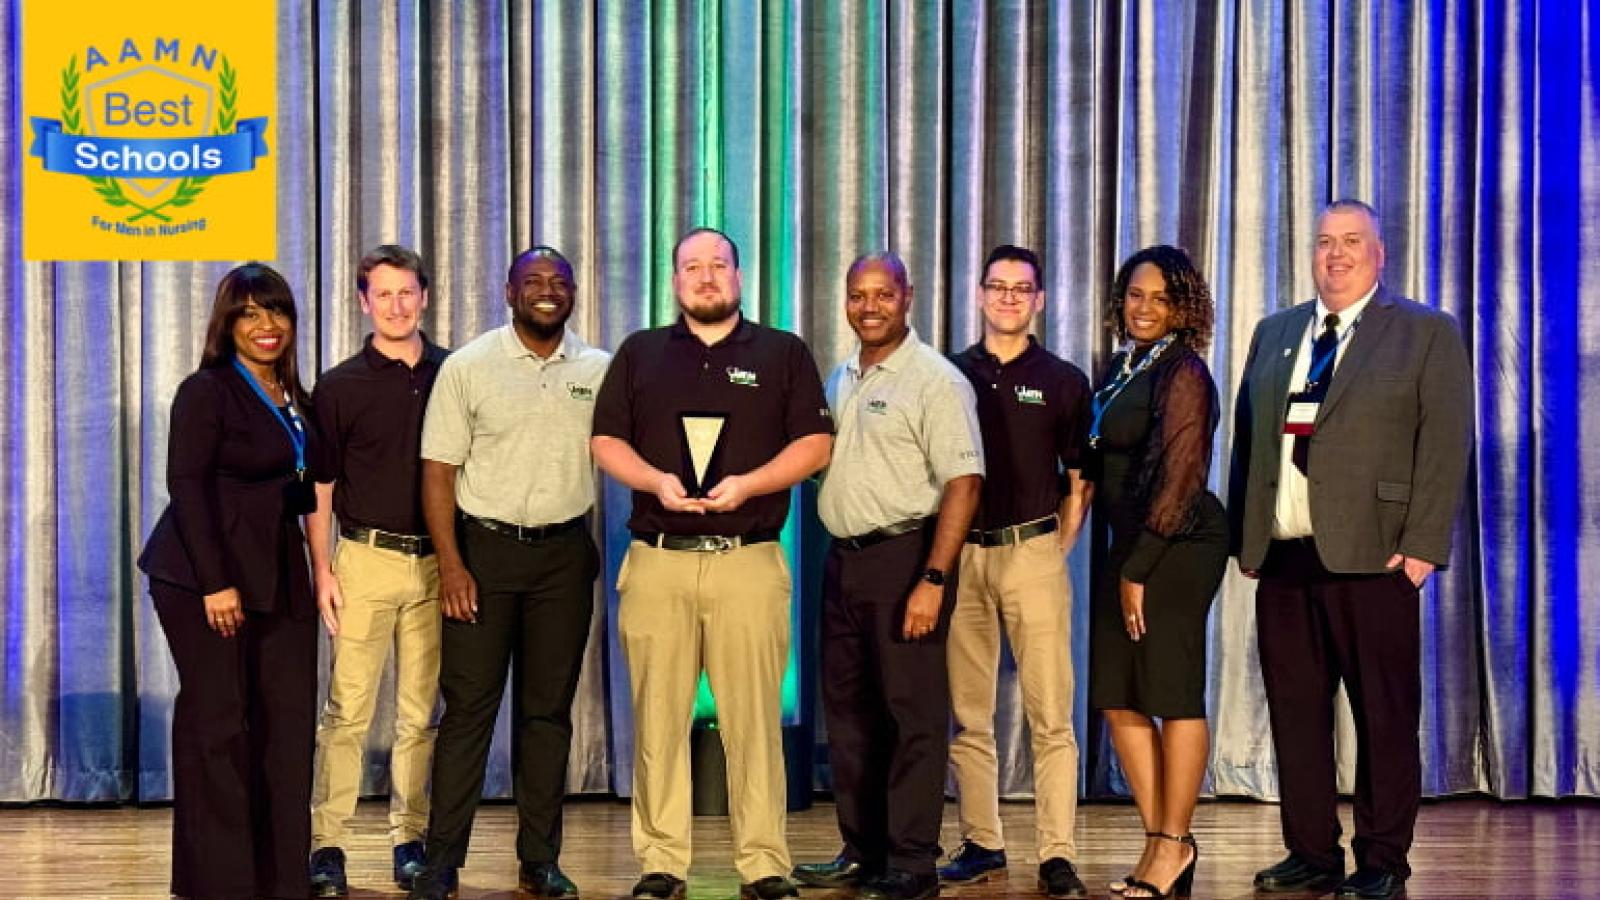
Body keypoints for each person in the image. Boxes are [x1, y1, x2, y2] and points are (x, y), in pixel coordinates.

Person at [1231, 200, 1472, 900]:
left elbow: (1446, 442)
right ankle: (1310, 851)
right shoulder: (1277, 333)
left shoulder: (1425, 331)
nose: (1336, 254)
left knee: (1385, 718)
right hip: (1285, 558)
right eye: (1325, 242)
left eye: (1352, 242)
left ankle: (1383, 861)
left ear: (1379, 253)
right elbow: (1251, 439)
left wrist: (1423, 546)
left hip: (1377, 559)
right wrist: (1251, 536)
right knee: (1296, 717)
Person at [591, 227, 833, 900]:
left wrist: (751, 484)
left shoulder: (782, 353)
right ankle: (661, 861)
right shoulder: (640, 354)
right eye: (692, 267)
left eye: (718, 265)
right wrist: (651, 479)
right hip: (659, 561)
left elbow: (816, 443)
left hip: (748, 561)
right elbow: (605, 438)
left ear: (738, 275)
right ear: (674, 281)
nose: (706, 277)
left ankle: (763, 863)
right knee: (658, 720)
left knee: (754, 719)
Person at [406, 247, 611, 900]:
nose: (546, 291)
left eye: (559, 282)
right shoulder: (470, 366)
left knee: (547, 715)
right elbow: (437, 471)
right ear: (508, 291)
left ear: (574, 293)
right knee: (468, 710)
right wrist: (453, 565)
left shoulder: (600, 370)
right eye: (533, 282)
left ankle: (539, 860)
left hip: (563, 558)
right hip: (483, 556)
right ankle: (441, 861)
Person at [794, 251, 983, 900]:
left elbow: (963, 483)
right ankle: (863, 849)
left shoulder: (936, 380)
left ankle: (911, 863)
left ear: (907, 297)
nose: (868, 306)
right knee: (849, 716)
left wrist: (933, 578)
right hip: (842, 561)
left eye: (882, 294)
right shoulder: (842, 376)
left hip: (906, 560)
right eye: (857, 295)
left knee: (912, 716)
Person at [137, 262, 322, 900]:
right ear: (228, 324)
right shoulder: (207, 390)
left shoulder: (294, 398)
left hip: (277, 571)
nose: (265, 325)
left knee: (286, 726)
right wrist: (217, 583)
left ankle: (282, 880)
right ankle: (221, 883)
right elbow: (186, 485)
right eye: (249, 313)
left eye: (275, 311)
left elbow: (306, 490)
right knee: (220, 725)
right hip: (201, 577)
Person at [942, 245, 1092, 899]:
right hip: (963, 556)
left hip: (1031, 551)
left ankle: (1057, 853)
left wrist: (1055, 547)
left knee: (1050, 714)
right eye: (997, 286)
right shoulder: (947, 374)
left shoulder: (1062, 379)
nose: (1007, 297)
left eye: (1020, 287)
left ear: (1040, 300)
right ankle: (983, 843)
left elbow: (1080, 477)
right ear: (979, 294)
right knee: (969, 715)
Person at [305, 245, 449, 897]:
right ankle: (327, 844)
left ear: (425, 296)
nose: (395, 305)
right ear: (364, 302)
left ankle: (409, 842)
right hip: (362, 559)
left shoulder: (454, 374)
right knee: (347, 712)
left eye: (406, 293)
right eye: (382, 294)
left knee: (420, 715)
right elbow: (320, 486)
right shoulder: (338, 386)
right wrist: (322, 571)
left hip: (435, 566)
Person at [1086, 245, 1227, 899]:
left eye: (1160, 298)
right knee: (1118, 696)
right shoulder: (1124, 366)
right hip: (1131, 544)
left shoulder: (1185, 372)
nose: (1145, 308)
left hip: (1177, 547)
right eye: (1136, 296)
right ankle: (1160, 841)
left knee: (1170, 693)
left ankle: (1173, 845)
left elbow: (1181, 478)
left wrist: (1138, 568)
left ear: (1182, 307)